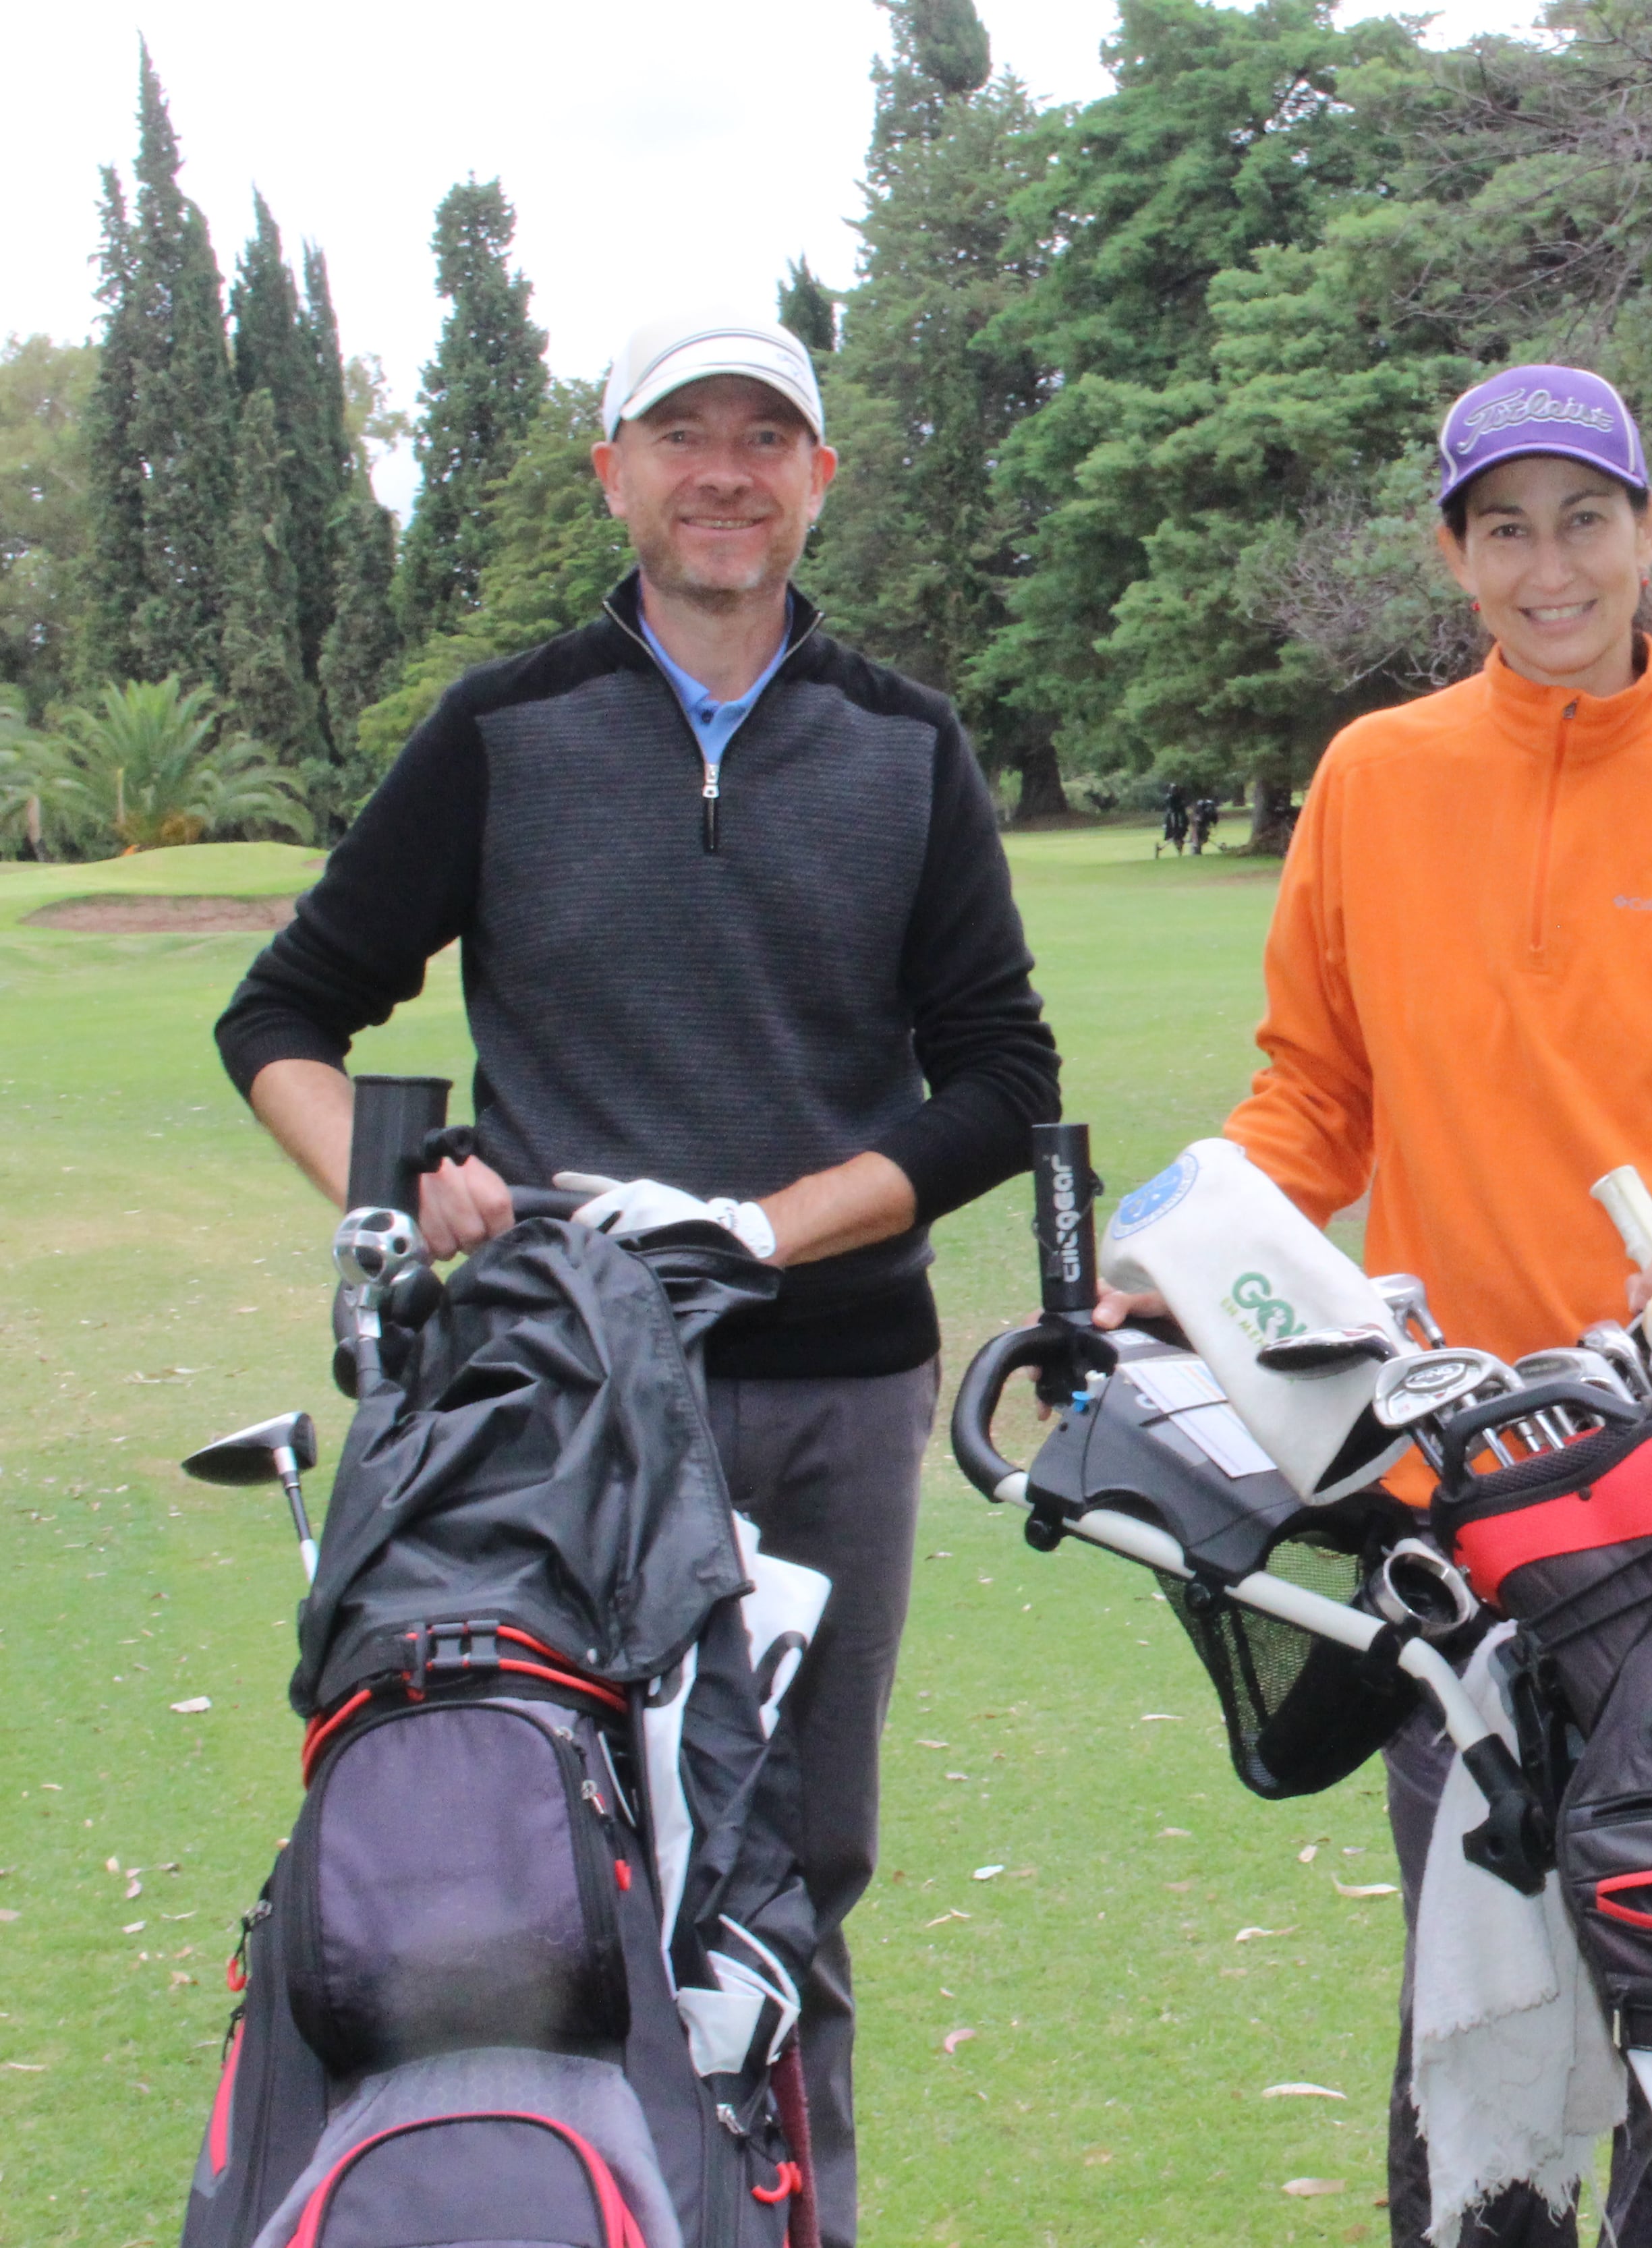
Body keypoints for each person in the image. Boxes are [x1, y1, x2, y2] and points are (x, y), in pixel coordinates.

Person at [214, 312, 1060, 2243]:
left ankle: (781, 2211)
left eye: (770, 434)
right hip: (554, 1392)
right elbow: (284, 1012)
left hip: (828, 1377)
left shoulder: (903, 740)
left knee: (791, 1869)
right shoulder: (506, 726)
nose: (726, 468)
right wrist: (396, 1178)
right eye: (683, 430)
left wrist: (769, 1224)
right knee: (528, 1843)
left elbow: (1002, 1081)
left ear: (819, 479)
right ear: (612, 469)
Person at [1110, 364, 1652, 2247]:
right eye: (1503, 527)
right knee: (1479, 1978)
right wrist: (1189, 1256)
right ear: (1451, 554)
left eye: (1583, 518)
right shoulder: (1377, 779)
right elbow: (1314, 1091)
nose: (1548, 565)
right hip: (1451, 1492)